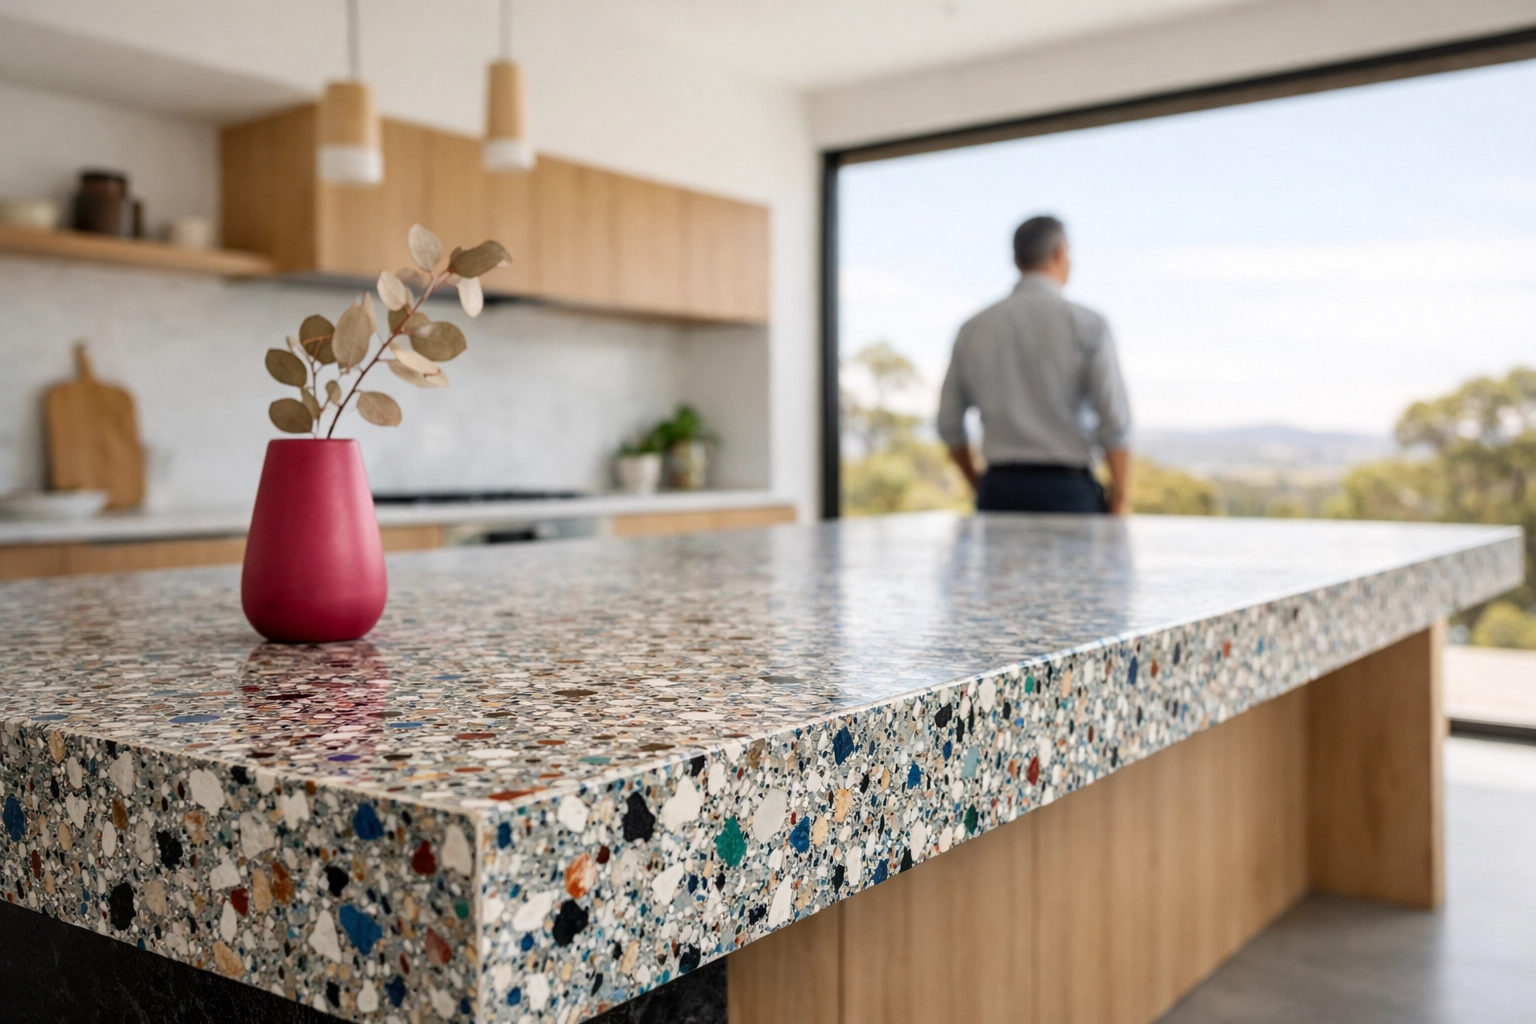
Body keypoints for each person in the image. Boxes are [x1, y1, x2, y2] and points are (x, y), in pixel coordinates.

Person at [937, 215, 1132, 514]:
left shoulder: (972, 328)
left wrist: (978, 484)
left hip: (998, 490)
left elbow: (949, 422)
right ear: (1060, 252)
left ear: (1016, 258)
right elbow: (1114, 421)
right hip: (1069, 494)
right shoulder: (1088, 325)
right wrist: (1119, 498)